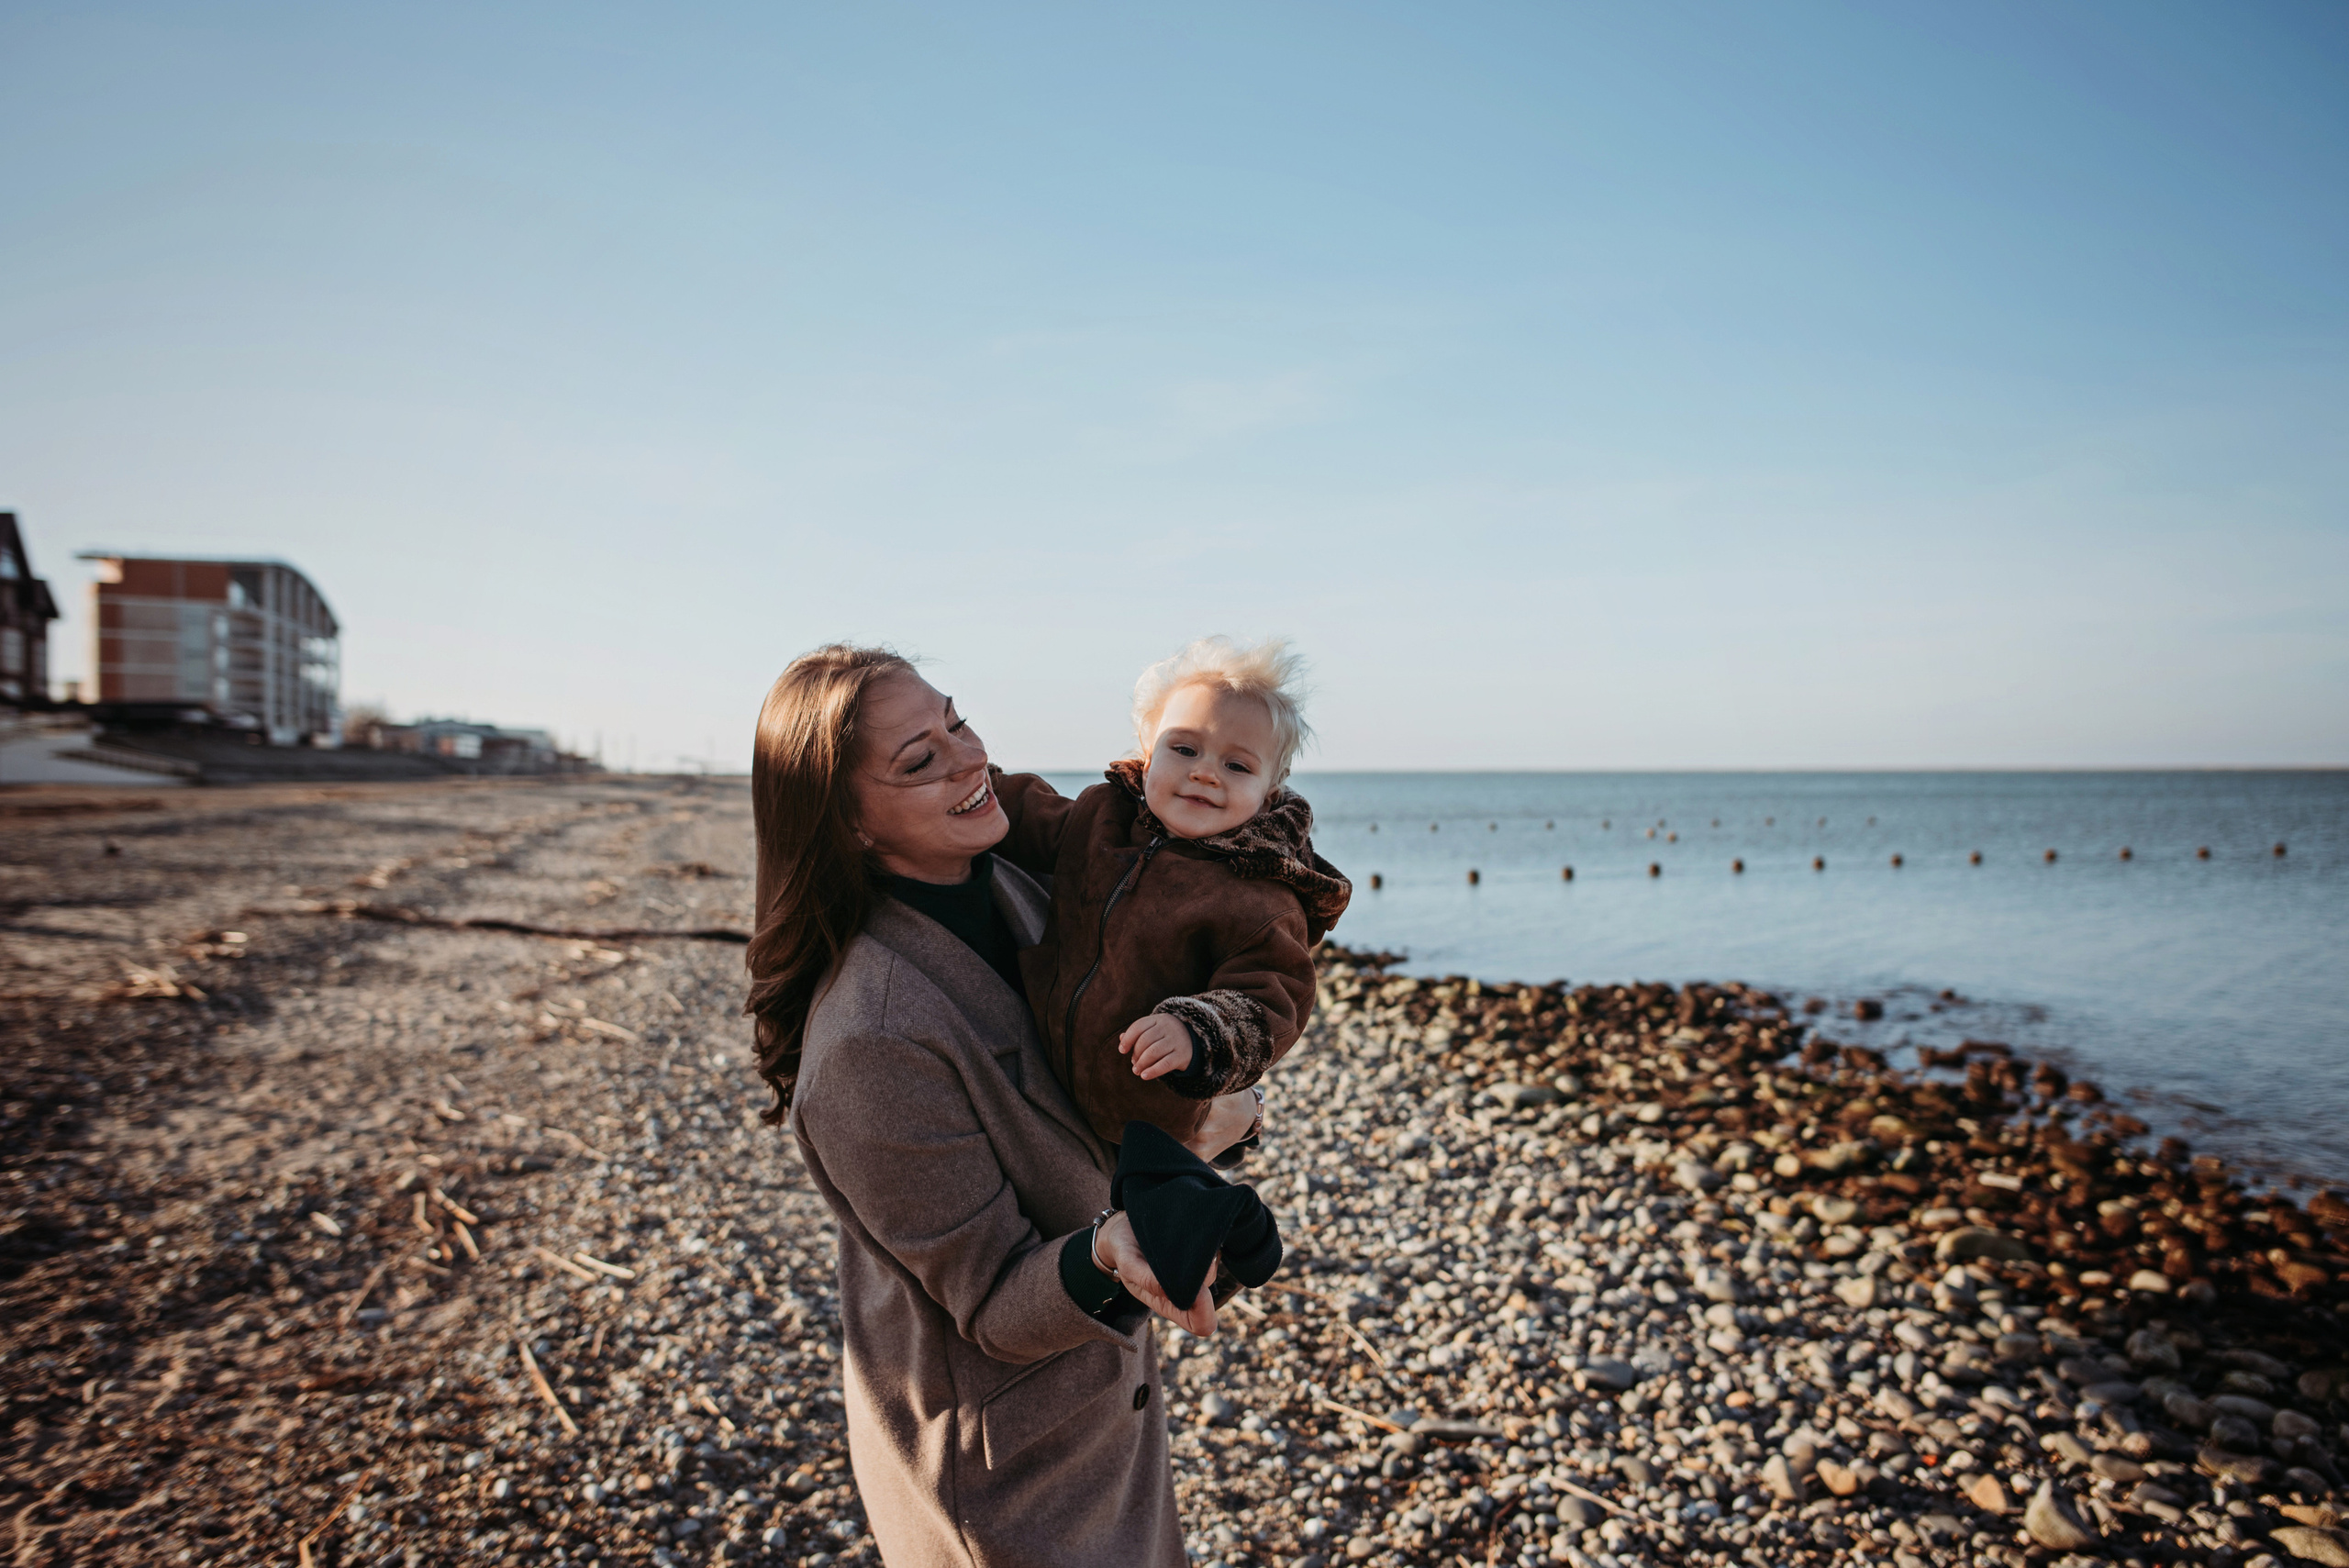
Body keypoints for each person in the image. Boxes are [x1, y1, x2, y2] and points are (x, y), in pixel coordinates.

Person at [743, 644, 1207, 1568]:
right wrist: (1111, 1249)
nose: (966, 757)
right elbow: (993, 1298)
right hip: (1009, 1471)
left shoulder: (1023, 885)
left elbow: (1116, 1082)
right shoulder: (872, 1039)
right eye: (917, 760)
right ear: (851, 828)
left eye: (954, 720)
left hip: (1108, 1405)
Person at [990, 635, 1352, 1166]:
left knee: (1163, 1234)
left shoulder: (1258, 894)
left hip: (1161, 1121)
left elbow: (1273, 998)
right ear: (1147, 749)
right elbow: (1026, 813)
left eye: (1238, 766)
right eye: (1184, 749)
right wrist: (964, 783)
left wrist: (1197, 1028)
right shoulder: (1099, 818)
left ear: (1269, 794)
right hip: (1048, 1089)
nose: (1205, 772)